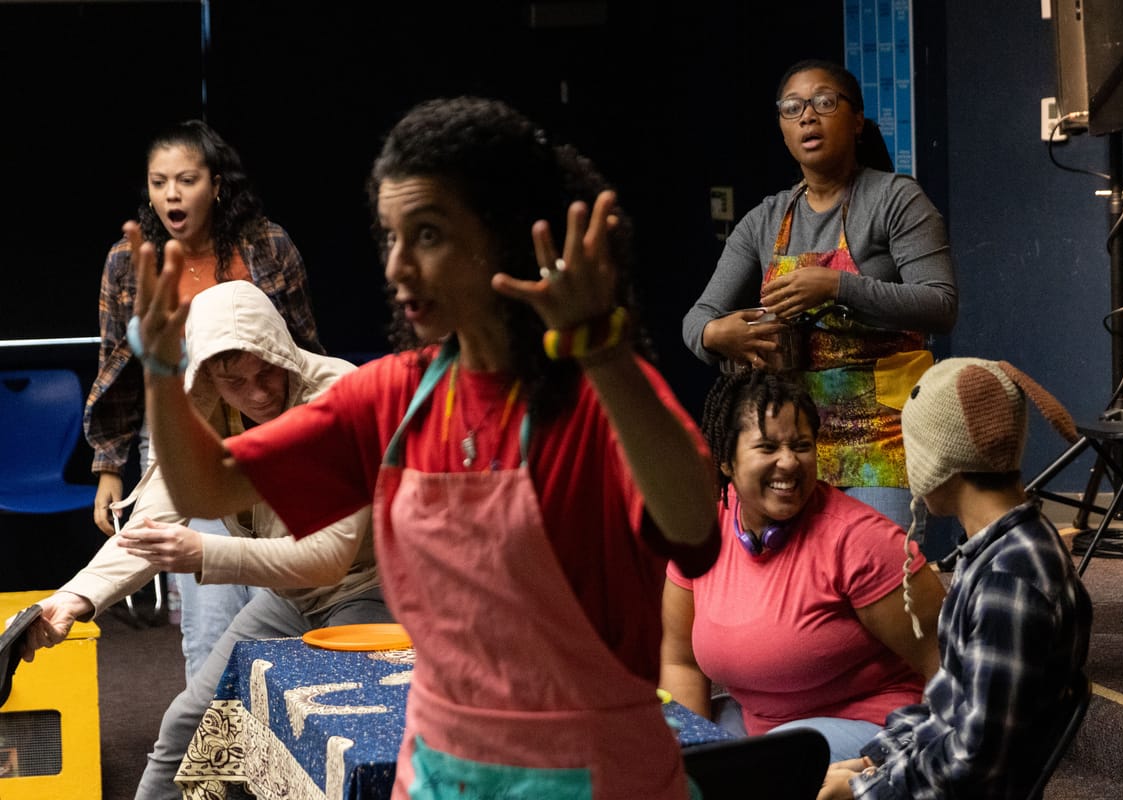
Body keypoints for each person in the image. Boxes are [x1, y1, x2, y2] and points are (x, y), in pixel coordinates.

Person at [127, 96, 721, 799]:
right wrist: (163, 370)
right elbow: (207, 487)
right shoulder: (393, 396)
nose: (399, 266)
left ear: (502, 234)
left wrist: (605, 352)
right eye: (390, 238)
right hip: (441, 771)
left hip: (590, 772)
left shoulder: (597, 396)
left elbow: (694, 527)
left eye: (429, 234)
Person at [21, 280, 389, 800]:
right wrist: (75, 598)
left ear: (284, 349)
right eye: (236, 380)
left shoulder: (339, 396)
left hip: (368, 590)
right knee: (187, 722)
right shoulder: (205, 412)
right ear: (211, 377)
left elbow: (325, 561)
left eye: (268, 371)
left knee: (340, 742)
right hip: (288, 599)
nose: (259, 392)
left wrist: (202, 552)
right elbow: (154, 522)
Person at [84, 118, 324, 676]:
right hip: (181, 436)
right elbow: (117, 366)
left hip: (269, 426)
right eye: (158, 181)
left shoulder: (267, 245)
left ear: (215, 185)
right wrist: (109, 467)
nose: (171, 193)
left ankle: (278, 746)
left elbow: (304, 345)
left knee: (282, 596)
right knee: (208, 616)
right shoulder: (130, 259)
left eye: (186, 179)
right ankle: (214, 752)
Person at [682, 59, 958, 531]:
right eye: (793, 108)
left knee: (877, 577)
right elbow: (697, 318)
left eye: (824, 102)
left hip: (883, 439)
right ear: (783, 129)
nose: (807, 116)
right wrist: (716, 333)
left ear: (856, 121)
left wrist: (837, 286)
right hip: (791, 441)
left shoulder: (896, 199)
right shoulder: (764, 220)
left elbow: (940, 304)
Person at [818, 358, 1092, 800]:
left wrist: (865, 792)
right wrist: (874, 760)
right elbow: (948, 707)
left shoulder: (1009, 579)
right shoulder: (1000, 550)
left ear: (940, 460)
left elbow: (972, 758)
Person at [660, 368, 945, 762]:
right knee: (650, 752)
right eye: (767, 448)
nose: (789, 463)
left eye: (801, 445)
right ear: (726, 460)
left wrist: (923, 767)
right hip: (764, 730)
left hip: (873, 728)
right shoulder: (699, 538)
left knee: (770, 763)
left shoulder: (861, 540)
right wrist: (686, 762)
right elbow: (682, 662)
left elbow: (947, 661)